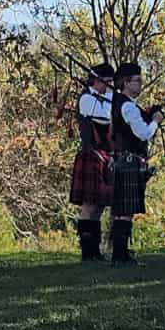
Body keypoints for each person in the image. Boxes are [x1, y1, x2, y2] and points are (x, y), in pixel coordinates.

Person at [109, 61, 163, 266]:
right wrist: (155, 120)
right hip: (130, 161)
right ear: (125, 82)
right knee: (126, 211)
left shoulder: (120, 102)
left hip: (123, 160)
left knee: (123, 210)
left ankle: (120, 255)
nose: (141, 84)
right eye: (137, 81)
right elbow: (144, 133)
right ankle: (120, 256)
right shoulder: (128, 106)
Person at [68, 62, 115, 262]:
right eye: (109, 82)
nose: (111, 86)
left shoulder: (102, 97)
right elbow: (106, 117)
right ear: (99, 80)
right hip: (91, 153)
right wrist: (113, 97)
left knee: (99, 206)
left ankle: (95, 252)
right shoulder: (87, 99)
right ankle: (88, 253)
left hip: (104, 154)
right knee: (89, 206)